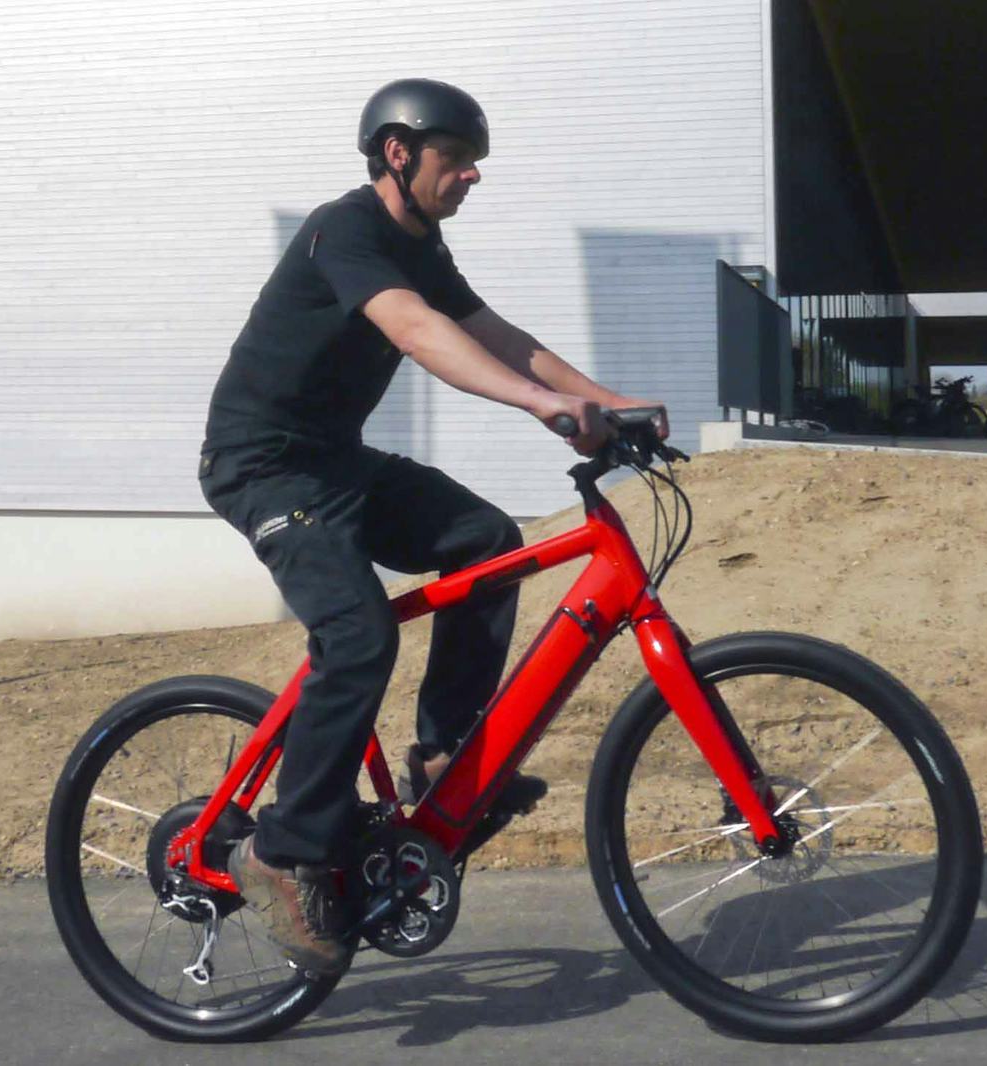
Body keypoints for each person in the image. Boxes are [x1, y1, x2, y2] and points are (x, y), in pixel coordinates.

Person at [198, 77, 668, 976]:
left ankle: (443, 756)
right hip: (263, 467)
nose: (473, 176)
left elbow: (488, 329)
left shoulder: (423, 243)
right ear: (399, 154)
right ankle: (281, 852)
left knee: (489, 543)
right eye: (458, 159)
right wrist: (542, 407)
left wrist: (610, 401)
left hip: (335, 463)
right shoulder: (347, 230)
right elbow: (415, 331)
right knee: (358, 631)